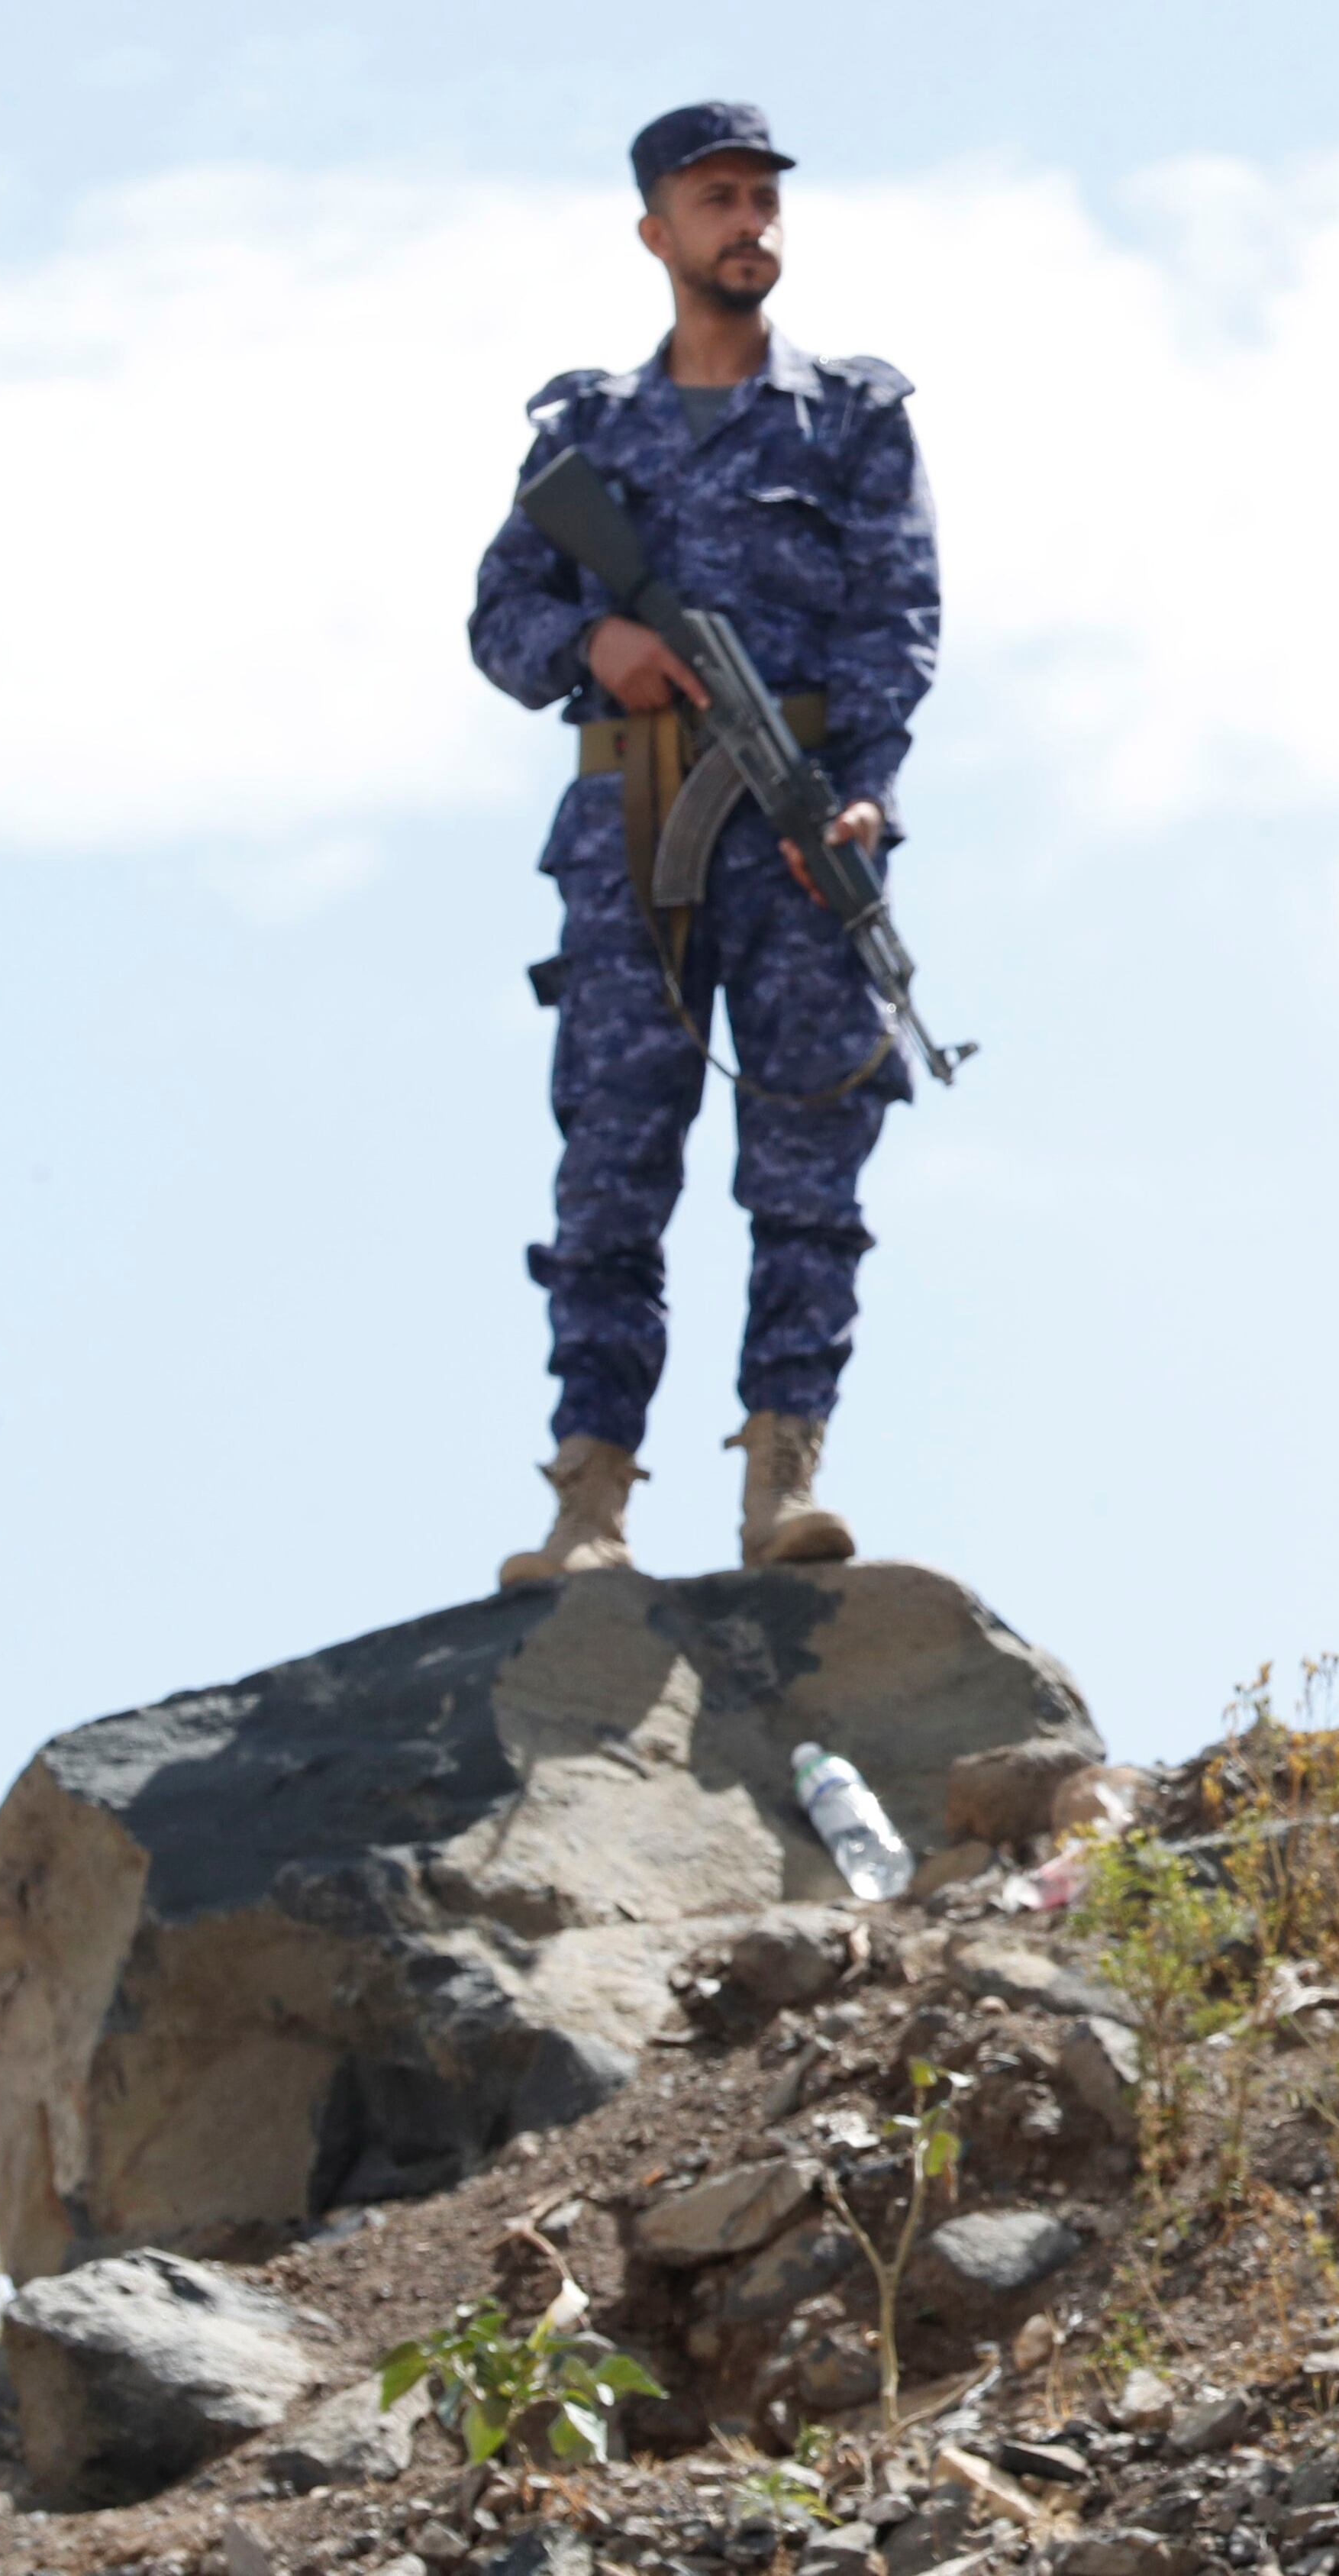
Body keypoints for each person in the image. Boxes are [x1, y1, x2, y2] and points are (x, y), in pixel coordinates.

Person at [468, 102, 941, 1590]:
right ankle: (590, 1502)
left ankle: (781, 1481)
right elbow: (498, 619)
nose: (750, 223)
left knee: (808, 1152)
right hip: (630, 833)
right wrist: (595, 636)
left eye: (762, 199)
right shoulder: (587, 434)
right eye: (718, 200)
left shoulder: (852, 422)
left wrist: (856, 792)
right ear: (656, 233)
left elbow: (896, 620)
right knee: (612, 1172)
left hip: (797, 825)